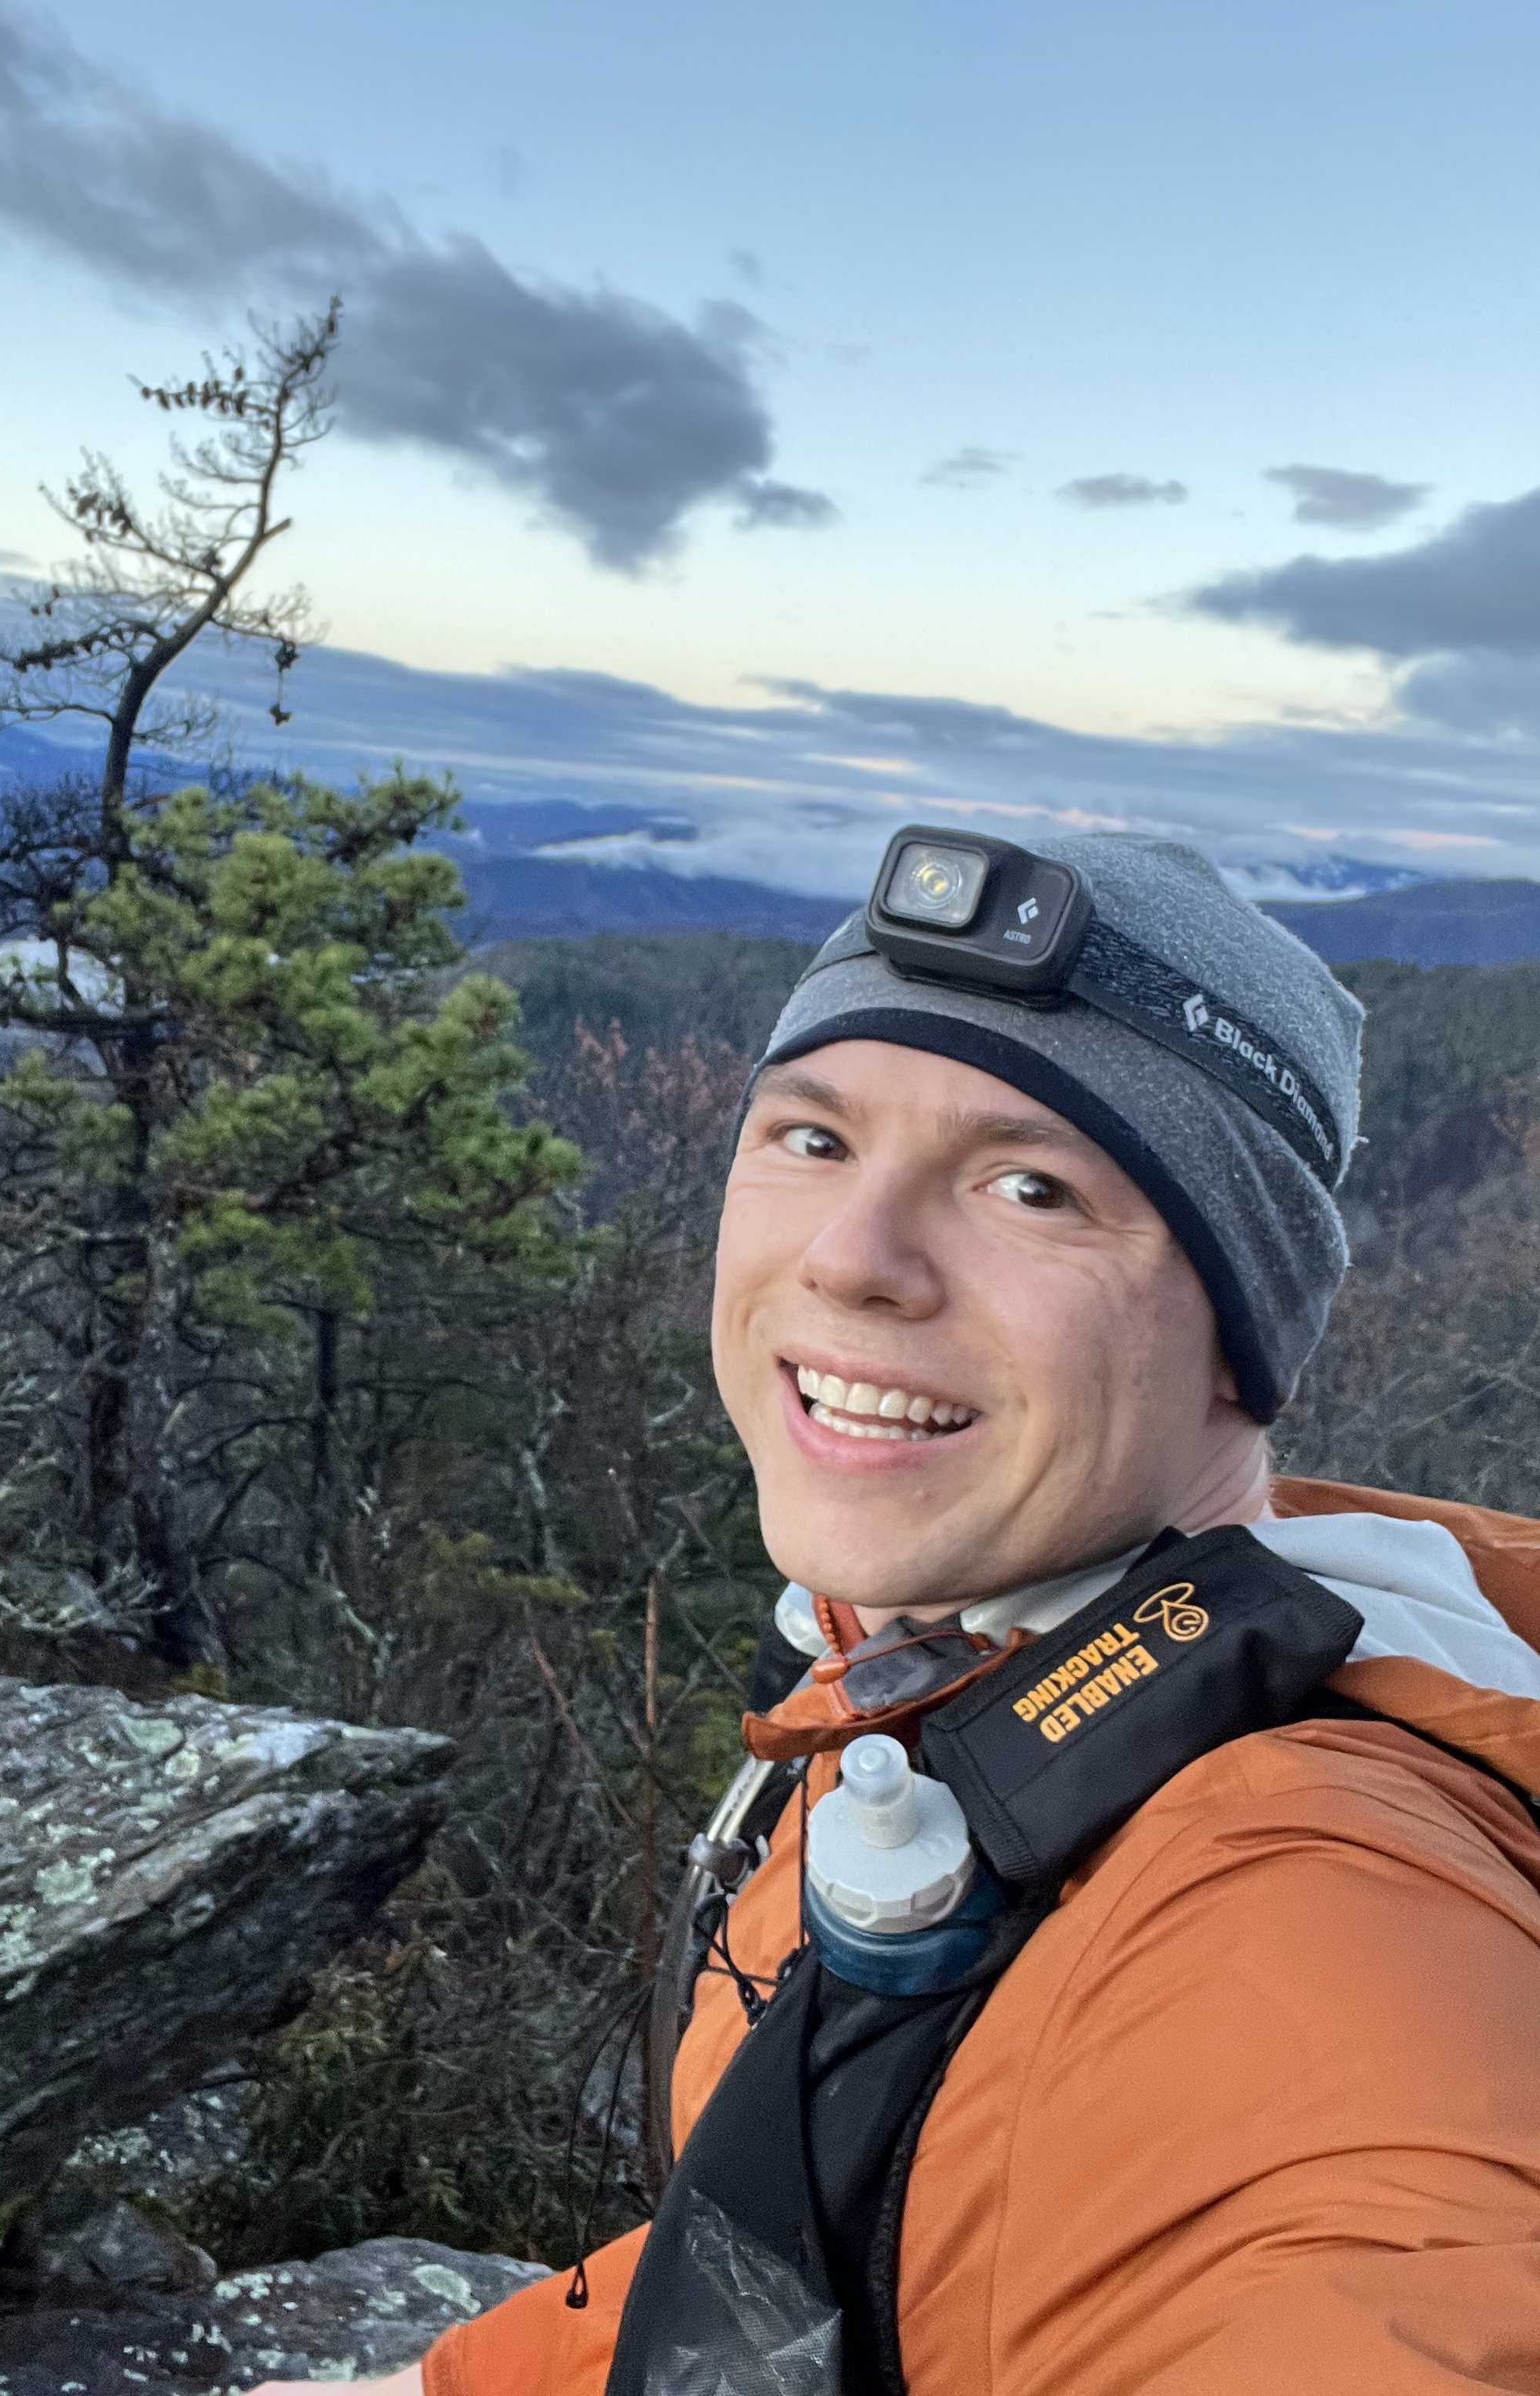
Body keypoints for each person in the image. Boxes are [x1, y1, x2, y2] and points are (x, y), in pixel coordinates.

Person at [254, 830, 1540, 2396]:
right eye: (811, 1137)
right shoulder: (964, 1681)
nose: (854, 1257)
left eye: (1030, 1185)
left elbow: (1395, 2275)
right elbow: (835, 2214)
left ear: (1238, 1333)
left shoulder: (1301, 1901)